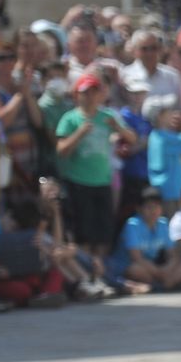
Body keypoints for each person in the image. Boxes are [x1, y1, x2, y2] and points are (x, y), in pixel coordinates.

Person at [54, 73, 139, 259]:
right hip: (79, 182)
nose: (90, 97)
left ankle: (100, 272)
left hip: (102, 181)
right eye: (85, 93)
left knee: (103, 234)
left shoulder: (108, 116)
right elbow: (61, 150)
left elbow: (132, 138)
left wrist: (119, 128)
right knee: (83, 234)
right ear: (77, 95)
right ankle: (87, 274)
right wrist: (79, 133)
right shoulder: (70, 119)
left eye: (94, 92)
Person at [111, 187, 181, 292]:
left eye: (156, 207)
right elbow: (137, 258)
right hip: (133, 265)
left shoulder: (163, 224)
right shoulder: (132, 224)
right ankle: (165, 284)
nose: (153, 211)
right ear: (139, 209)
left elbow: (173, 255)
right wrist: (158, 272)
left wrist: (167, 269)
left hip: (155, 268)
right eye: (149, 207)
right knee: (135, 270)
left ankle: (163, 285)